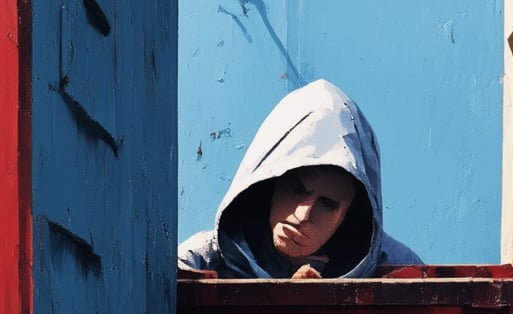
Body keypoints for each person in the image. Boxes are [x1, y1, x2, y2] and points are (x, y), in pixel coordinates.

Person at [178, 79, 421, 279]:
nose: (303, 215)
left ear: (350, 214)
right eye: (296, 190)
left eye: (327, 204)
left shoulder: (399, 271)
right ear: (269, 184)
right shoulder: (203, 258)